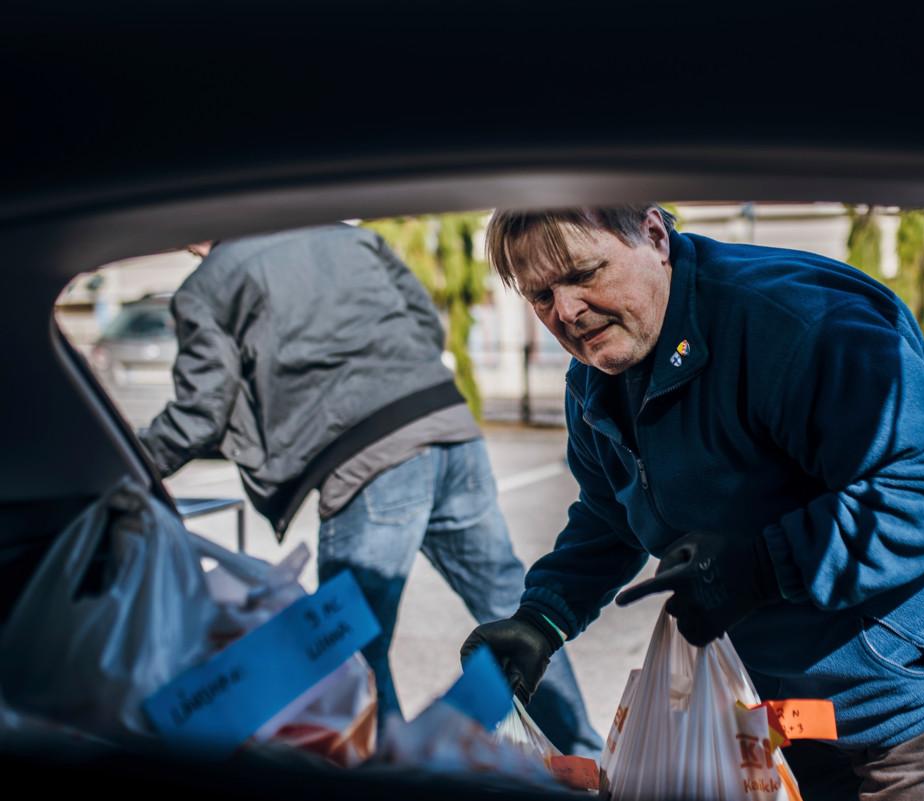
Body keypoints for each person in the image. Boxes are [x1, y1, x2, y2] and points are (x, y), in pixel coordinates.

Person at [461, 205, 924, 799]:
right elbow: (611, 511)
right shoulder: (596, 378)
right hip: (792, 702)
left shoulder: (795, 325)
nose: (566, 311)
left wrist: (766, 566)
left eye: (585, 273)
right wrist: (543, 618)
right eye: (541, 296)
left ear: (653, 234)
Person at [140, 223, 602, 756]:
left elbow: (201, 410)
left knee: (352, 643)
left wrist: (132, 462)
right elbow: (426, 325)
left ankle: (384, 779)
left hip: (368, 459)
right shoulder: (345, 237)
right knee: (512, 610)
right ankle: (584, 758)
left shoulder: (208, 283)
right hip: (448, 427)